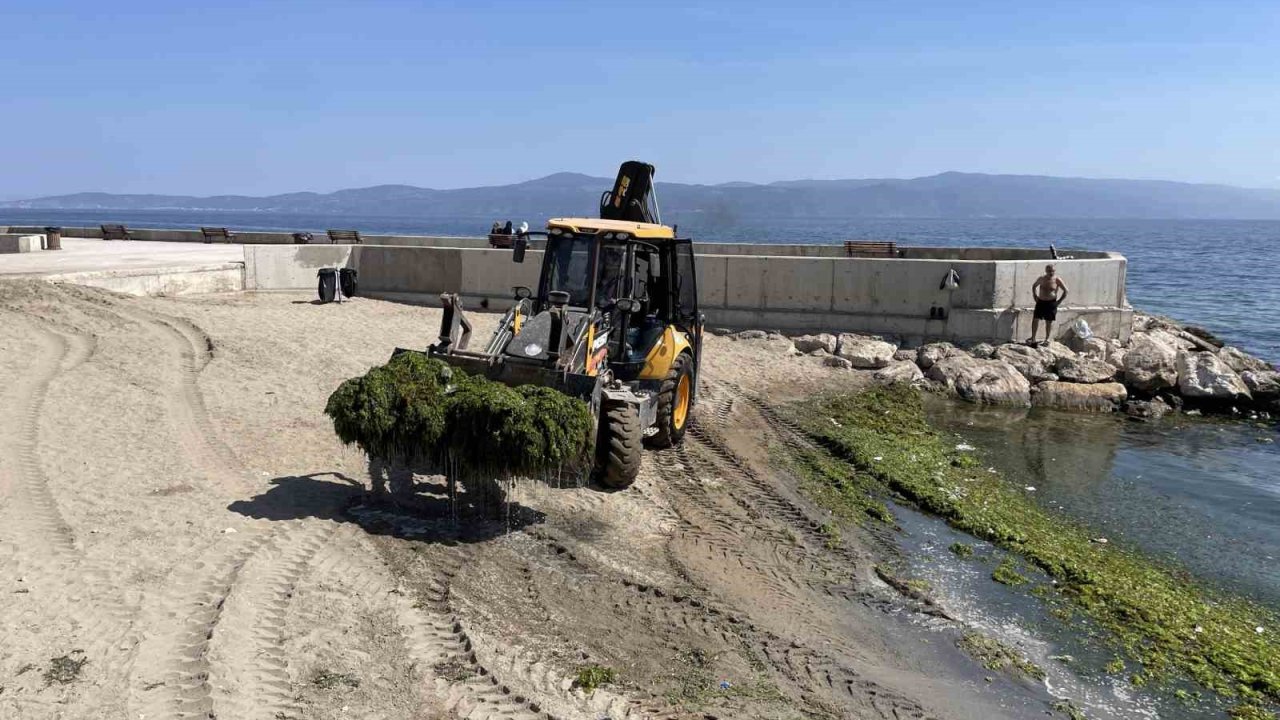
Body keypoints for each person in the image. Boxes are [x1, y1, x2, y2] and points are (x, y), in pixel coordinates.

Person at [1029, 264, 1068, 345]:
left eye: (1052, 271)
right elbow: (1034, 286)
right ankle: (1033, 338)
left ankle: (1046, 339)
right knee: (1035, 319)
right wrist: (1034, 295)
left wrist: (1059, 302)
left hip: (1051, 303)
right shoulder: (1041, 278)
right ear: (1046, 271)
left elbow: (1066, 290)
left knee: (1048, 321)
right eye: (1049, 271)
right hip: (1041, 302)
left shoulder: (1057, 280)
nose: (1051, 273)